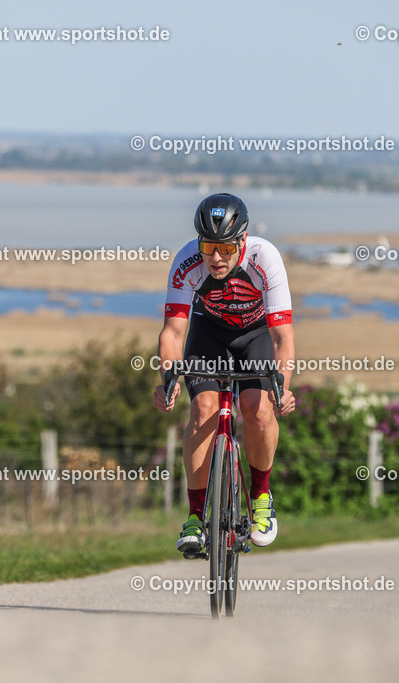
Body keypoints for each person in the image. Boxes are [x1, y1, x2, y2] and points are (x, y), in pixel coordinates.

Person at [153, 192, 296, 555]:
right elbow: (172, 332)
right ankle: (196, 517)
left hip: (255, 336)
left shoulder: (266, 258)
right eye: (208, 247)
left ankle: (261, 497)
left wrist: (282, 389)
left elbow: (282, 336)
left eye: (227, 249)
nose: (216, 258)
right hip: (208, 334)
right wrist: (167, 380)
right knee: (203, 411)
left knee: (258, 409)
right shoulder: (187, 261)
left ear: (243, 240)